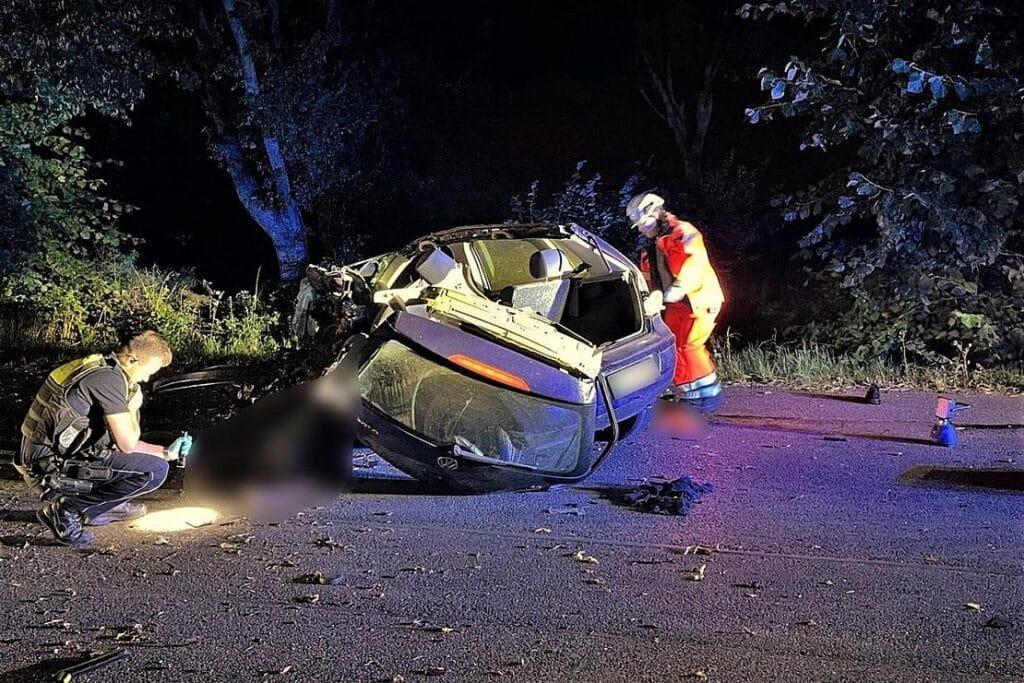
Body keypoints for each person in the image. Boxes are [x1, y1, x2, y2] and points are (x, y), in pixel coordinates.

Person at [17, 331, 190, 545]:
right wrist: (134, 405)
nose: (146, 379)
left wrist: (166, 452)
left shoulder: (100, 367)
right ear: (131, 359)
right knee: (155, 471)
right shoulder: (109, 381)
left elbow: (116, 443)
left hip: (40, 457)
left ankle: (107, 504)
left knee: (154, 461)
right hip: (47, 468)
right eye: (147, 372)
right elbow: (127, 444)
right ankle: (67, 510)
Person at [627, 192, 725, 413]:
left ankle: (706, 395)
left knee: (689, 346)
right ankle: (690, 393)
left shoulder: (682, 232)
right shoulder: (654, 245)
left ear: (656, 213)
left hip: (698, 300)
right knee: (674, 345)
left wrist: (671, 292)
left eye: (643, 223)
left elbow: (693, 265)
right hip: (677, 304)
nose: (641, 229)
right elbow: (648, 276)